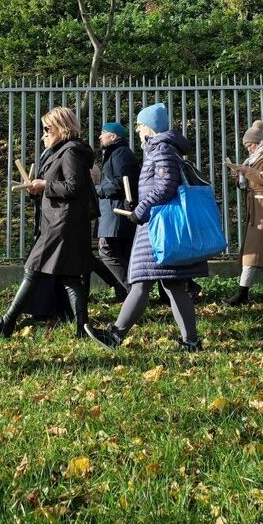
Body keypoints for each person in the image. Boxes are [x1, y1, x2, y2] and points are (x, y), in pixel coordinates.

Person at [84, 103, 207, 351]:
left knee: (143, 282)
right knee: (170, 285)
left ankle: (116, 335)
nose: (138, 130)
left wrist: (140, 210)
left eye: (140, 125)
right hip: (157, 225)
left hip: (156, 226)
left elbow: (165, 187)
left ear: (149, 127)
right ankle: (190, 341)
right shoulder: (163, 150)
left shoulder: (161, 151)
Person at [0, 107, 93, 339]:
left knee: (33, 268)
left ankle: (7, 323)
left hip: (61, 223)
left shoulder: (71, 151)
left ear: (61, 127)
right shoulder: (60, 151)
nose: (43, 134)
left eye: (47, 129)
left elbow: (75, 187)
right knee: (70, 276)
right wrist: (36, 189)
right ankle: (83, 328)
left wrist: (44, 186)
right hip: (59, 220)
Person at [225, 120, 263, 305]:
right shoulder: (254, 157)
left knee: (253, 250)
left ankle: (242, 292)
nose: (249, 150)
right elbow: (252, 180)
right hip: (258, 207)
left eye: (250, 145)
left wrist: (247, 172)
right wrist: (240, 175)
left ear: (258, 142)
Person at [93, 121, 139, 300]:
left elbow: (121, 183)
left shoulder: (120, 153)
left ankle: (133, 291)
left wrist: (98, 189)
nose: (99, 136)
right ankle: (126, 292)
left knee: (107, 249)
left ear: (113, 136)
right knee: (120, 252)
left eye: (103, 133)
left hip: (118, 211)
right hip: (115, 211)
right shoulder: (117, 152)